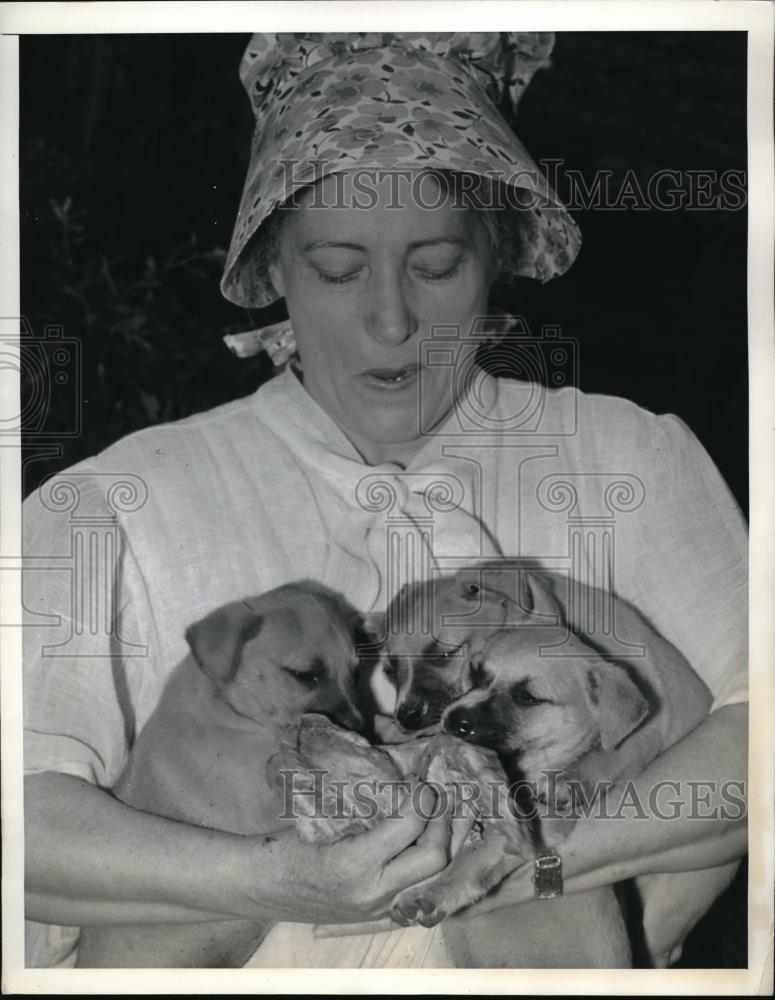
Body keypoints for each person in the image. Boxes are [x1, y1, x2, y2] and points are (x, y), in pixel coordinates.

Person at [23, 32, 747, 969]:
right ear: (272, 267)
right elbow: (26, 821)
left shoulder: (630, 455)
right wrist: (269, 880)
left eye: (437, 265)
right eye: (336, 268)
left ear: (498, 254)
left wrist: (520, 863)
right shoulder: (121, 501)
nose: (391, 317)